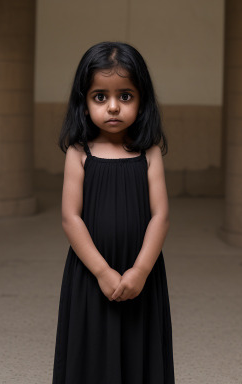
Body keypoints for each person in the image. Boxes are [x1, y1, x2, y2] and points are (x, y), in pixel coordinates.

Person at [52, 41, 175, 384]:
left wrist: (140, 269)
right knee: (90, 350)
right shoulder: (79, 152)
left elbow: (160, 215)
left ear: (142, 99)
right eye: (100, 97)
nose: (113, 107)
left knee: (138, 348)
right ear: (84, 100)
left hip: (140, 270)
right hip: (92, 270)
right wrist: (103, 271)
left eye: (125, 96)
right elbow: (70, 217)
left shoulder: (148, 151)